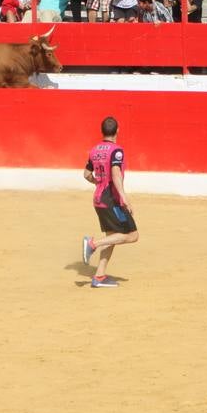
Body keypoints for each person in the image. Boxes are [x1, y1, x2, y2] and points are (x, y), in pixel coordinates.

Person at [81, 115, 138, 289]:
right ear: (117, 130)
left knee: (112, 237)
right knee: (132, 235)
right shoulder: (116, 151)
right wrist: (124, 197)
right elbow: (115, 173)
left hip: (98, 198)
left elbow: (86, 174)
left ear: (102, 131)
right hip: (112, 199)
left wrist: (98, 183)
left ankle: (99, 276)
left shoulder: (94, 150)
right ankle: (93, 244)